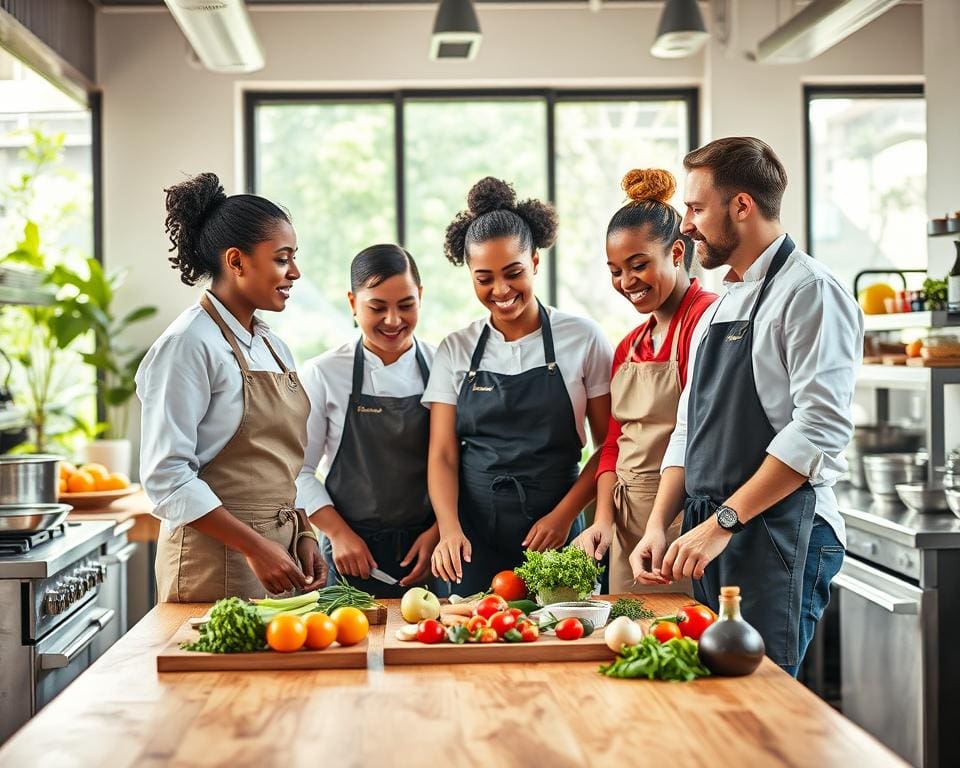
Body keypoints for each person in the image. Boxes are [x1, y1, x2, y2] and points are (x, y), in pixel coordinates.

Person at [630, 137, 863, 675]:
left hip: (777, 533)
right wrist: (658, 525)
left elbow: (818, 430)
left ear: (741, 206)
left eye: (695, 208)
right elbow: (691, 423)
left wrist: (724, 522)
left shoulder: (811, 292)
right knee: (718, 698)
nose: (685, 224)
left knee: (763, 702)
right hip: (712, 533)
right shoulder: (724, 300)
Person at [137, 172, 325, 602]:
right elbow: (166, 477)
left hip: (279, 555)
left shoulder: (272, 345)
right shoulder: (187, 345)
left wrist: (304, 532)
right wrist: (255, 547)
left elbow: (279, 463)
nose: (294, 272)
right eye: (282, 258)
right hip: (214, 561)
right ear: (236, 261)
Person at [424, 177, 613, 594]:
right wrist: (449, 528)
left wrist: (565, 516)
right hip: (471, 538)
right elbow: (442, 454)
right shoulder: (456, 349)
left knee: (562, 645)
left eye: (513, 273)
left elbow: (608, 446)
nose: (501, 290)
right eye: (484, 278)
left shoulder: (582, 338)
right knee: (470, 642)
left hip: (558, 533)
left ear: (535, 263)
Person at [574, 169, 716, 594]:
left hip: (680, 520)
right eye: (616, 271)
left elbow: (700, 434)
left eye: (638, 265)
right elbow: (614, 443)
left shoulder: (706, 319)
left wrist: (662, 523)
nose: (626, 283)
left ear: (676, 253)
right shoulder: (629, 345)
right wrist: (602, 519)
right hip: (626, 522)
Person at [296, 245, 438, 598]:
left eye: (406, 305)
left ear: (420, 297)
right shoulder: (324, 373)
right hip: (351, 555)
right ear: (352, 303)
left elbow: (461, 464)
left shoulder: (444, 368)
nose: (393, 320)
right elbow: (297, 471)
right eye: (377, 307)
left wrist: (439, 534)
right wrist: (339, 534)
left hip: (428, 555)